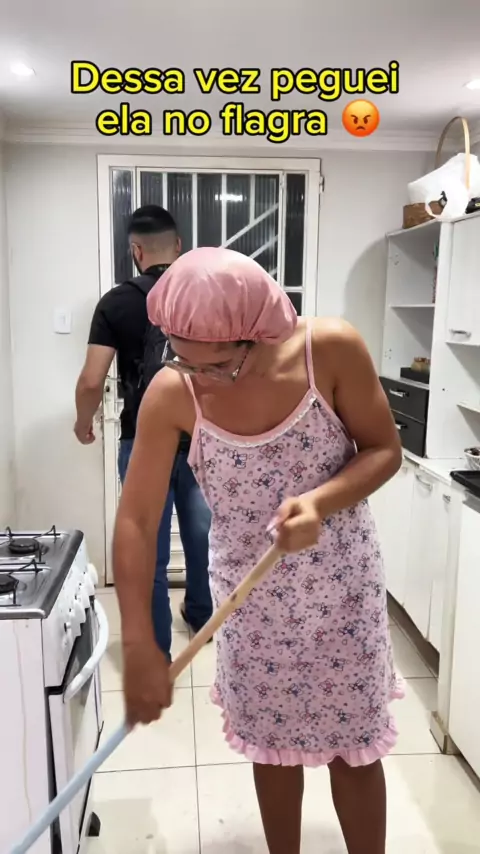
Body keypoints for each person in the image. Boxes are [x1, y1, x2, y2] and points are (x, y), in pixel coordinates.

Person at [112, 246, 403, 854]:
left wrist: (320, 501)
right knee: (272, 752)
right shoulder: (173, 391)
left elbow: (383, 450)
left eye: (218, 364)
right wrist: (139, 643)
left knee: (353, 752)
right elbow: (137, 522)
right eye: (182, 358)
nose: (200, 378)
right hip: (251, 606)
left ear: (261, 334)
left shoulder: (330, 351)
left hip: (341, 596)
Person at [74, 207, 213, 657]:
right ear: (178, 246)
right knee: (202, 536)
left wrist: (84, 422)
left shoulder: (117, 302)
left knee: (149, 546)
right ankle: (202, 617)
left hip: (143, 441)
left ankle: (157, 649)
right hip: (201, 438)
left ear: (136, 250)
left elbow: (92, 380)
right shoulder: (205, 296)